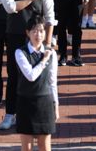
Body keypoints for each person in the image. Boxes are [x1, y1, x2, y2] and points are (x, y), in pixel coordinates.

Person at [0, 0, 55, 131]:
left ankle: (41, 113)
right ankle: (10, 114)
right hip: (15, 36)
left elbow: (50, 17)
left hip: (38, 39)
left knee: (40, 77)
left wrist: (47, 43)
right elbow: (11, 7)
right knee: (14, 76)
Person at [15, 14, 59, 151]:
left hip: (44, 103)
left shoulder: (51, 54)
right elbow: (30, 76)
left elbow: (53, 82)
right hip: (25, 102)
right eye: (34, 31)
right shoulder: (20, 52)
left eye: (41, 31)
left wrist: (56, 105)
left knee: (44, 147)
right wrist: (43, 61)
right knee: (27, 148)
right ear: (28, 33)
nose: (38, 35)